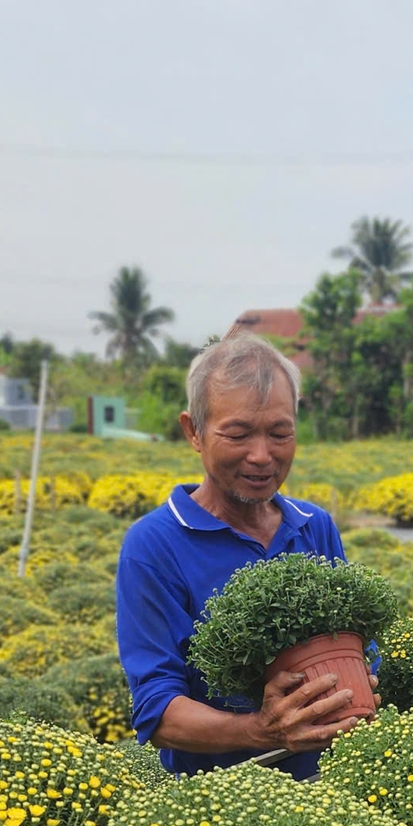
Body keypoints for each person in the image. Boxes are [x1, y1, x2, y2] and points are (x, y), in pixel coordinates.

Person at [115, 331, 365, 779]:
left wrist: (363, 679)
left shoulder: (314, 526)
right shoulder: (153, 545)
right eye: (238, 434)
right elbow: (158, 710)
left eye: (280, 433)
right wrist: (262, 730)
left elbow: (357, 641)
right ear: (193, 431)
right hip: (219, 810)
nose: (261, 456)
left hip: (333, 786)